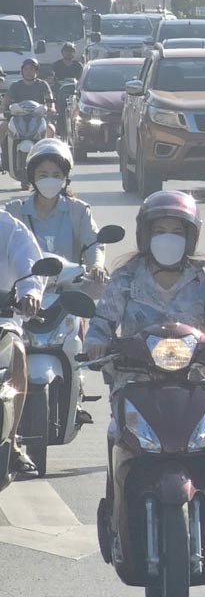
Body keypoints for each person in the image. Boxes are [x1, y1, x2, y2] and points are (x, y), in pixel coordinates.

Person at [84, 191, 205, 518]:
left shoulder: (204, 280)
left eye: (177, 231)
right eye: (160, 230)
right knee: (119, 437)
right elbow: (102, 322)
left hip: (194, 385)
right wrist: (96, 343)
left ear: (190, 237)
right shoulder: (126, 278)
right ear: (145, 235)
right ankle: (116, 512)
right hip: (135, 381)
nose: (168, 238)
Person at [5, 139, 106, 279]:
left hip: (71, 287)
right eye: (43, 175)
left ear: (65, 178)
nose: (50, 180)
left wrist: (96, 265)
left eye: (56, 175)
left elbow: (93, 243)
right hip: (26, 288)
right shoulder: (14, 212)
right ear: (32, 176)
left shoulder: (78, 210)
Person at [0, 208, 47, 474]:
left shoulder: (9, 227)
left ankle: (13, 443)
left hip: (2, 321)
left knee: (17, 352)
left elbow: (29, 264)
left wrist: (29, 293)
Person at [1, 58, 56, 147]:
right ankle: (3, 152)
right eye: (26, 69)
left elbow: (50, 102)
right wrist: (3, 110)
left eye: (31, 69)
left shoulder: (43, 84)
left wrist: (51, 109)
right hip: (17, 118)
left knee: (51, 129)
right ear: (22, 71)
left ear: (36, 71)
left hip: (38, 118)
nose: (28, 72)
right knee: (2, 127)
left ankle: (46, 152)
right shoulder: (15, 85)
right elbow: (5, 102)